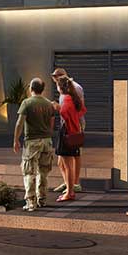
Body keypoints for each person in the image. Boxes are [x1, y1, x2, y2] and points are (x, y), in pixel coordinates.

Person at [12, 77, 57, 211]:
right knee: (43, 172)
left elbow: (20, 123)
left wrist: (15, 140)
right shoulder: (49, 104)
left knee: (29, 172)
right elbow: (52, 124)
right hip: (47, 141)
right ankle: (42, 198)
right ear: (42, 89)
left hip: (32, 141)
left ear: (31, 88)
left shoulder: (27, 103)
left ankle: (31, 201)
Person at [53, 70, 85, 201]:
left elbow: (65, 114)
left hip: (67, 132)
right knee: (63, 162)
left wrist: (57, 108)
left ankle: (70, 191)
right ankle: (69, 187)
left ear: (61, 87)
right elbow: (81, 110)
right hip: (74, 131)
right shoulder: (74, 98)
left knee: (67, 164)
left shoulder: (66, 100)